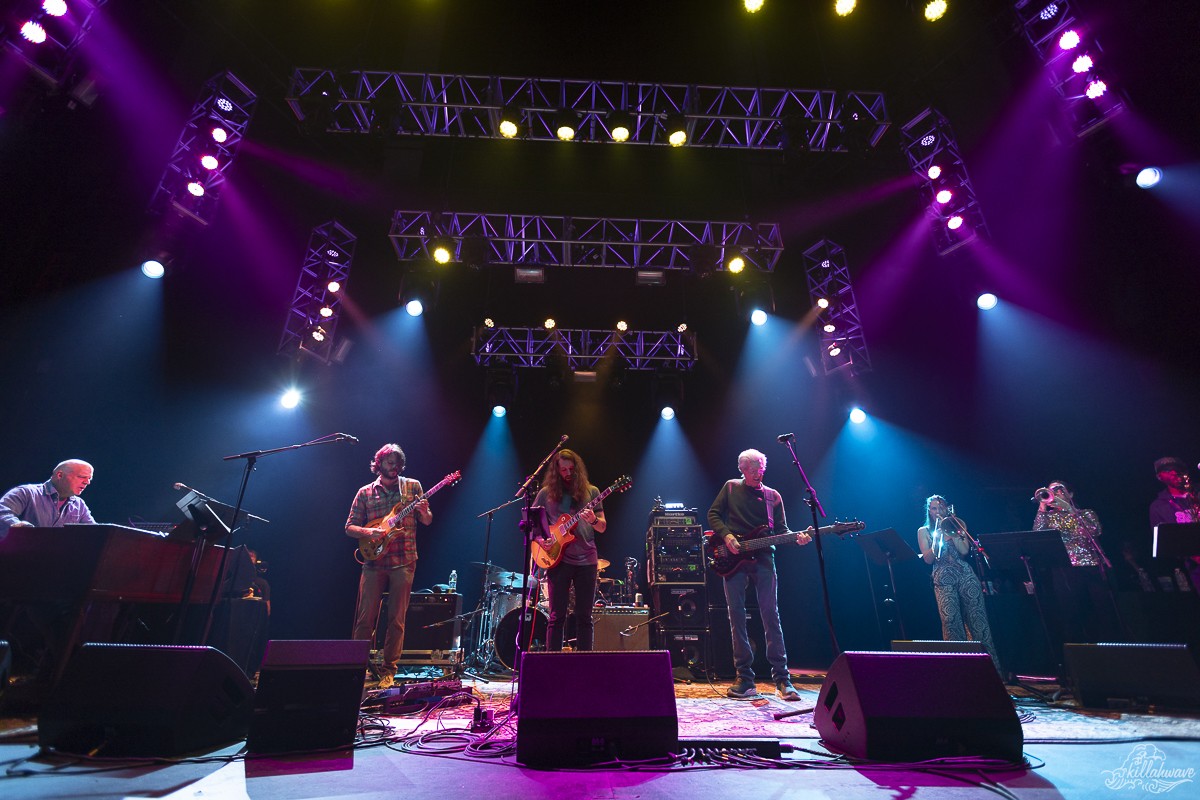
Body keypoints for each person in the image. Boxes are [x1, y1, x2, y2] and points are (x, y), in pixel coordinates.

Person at [707, 448, 811, 701]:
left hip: (764, 558)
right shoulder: (731, 488)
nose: (758, 474)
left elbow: (783, 530)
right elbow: (713, 515)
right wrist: (728, 536)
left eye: (761, 469)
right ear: (742, 469)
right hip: (733, 560)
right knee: (737, 617)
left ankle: (782, 679)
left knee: (770, 616)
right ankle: (744, 678)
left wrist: (797, 538)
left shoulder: (772, 496)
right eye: (753, 470)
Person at [345, 444, 432, 689]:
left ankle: (388, 670)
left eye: (397, 463)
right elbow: (349, 527)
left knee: (397, 619)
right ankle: (356, 668)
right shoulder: (365, 492)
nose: (394, 467)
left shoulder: (412, 487)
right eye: (389, 462)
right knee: (365, 619)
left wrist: (424, 512)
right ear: (379, 463)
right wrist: (369, 531)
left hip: (404, 560)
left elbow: (427, 520)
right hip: (373, 562)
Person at [916, 496, 1001, 673]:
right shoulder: (923, 531)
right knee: (950, 622)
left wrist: (952, 532)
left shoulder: (957, 525)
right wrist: (939, 534)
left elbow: (963, 551)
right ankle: (960, 672)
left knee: (978, 623)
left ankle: (990, 672)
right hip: (942, 576)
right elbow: (929, 559)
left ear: (947, 509)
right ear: (929, 511)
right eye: (933, 509)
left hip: (965, 574)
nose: (937, 512)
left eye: (941, 508)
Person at [533, 449, 606, 652]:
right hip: (558, 559)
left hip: (587, 559)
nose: (567, 473)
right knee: (557, 616)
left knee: (584, 616)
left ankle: (585, 664)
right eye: (563, 469)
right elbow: (533, 526)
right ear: (556, 470)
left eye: (571, 469)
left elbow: (602, 527)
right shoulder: (546, 494)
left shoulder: (592, 491)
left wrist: (592, 519)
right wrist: (541, 540)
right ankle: (552, 663)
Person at [1032, 480, 1122, 642]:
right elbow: (1037, 534)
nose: (1055, 493)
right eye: (1051, 490)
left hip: (1091, 565)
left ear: (1070, 494)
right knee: (1070, 613)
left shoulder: (1086, 513)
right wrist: (1042, 507)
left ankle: (1112, 645)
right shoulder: (1049, 518)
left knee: (1103, 610)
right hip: (1064, 568)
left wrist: (1070, 510)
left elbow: (1096, 530)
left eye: (1059, 489)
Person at [0, 459, 96, 537]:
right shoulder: (26, 492)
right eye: (82, 477)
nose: (87, 482)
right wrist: (23, 531)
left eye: (89, 479)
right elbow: (2, 514)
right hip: (19, 557)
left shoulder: (80, 505)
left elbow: (94, 532)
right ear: (60, 475)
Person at [1148, 456, 1200, 590]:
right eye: (1168, 470)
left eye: (1177, 469)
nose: (1173, 472)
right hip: (1195, 565)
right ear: (1160, 476)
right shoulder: (1158, 507)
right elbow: (1165, 541)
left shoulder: (1197, 493)